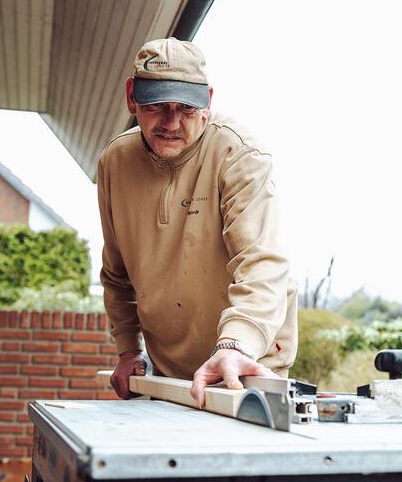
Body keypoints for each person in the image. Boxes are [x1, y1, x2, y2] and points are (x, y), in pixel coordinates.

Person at [97, 37, 297, 408]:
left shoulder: (240, 155)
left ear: (207, 102)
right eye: (157, 106)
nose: (171, 123)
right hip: (169, 378)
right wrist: (128, 349)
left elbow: (261, 265)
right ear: (131, 97)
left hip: (244, 366)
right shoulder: (115, 162)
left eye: (186, 108)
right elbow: (116, 275)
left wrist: (236, 344)